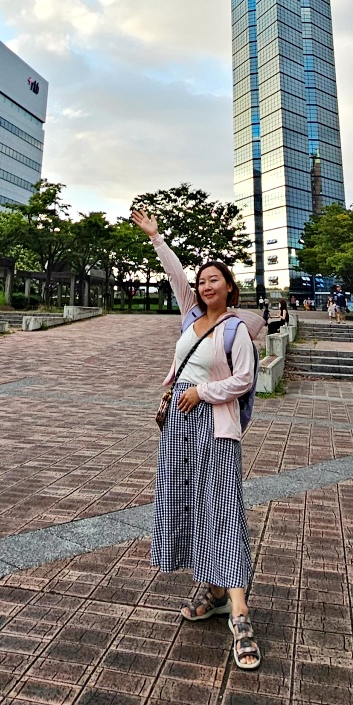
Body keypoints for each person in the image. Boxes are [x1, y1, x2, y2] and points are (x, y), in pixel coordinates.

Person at [131, 206, 264, 672]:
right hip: (178, 429)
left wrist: (201, 392)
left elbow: (245, 380)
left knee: (223, 509)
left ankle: (241, 612)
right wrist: (156, 237)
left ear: (229, 287)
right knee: (185, 504)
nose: (206, 286)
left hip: (214, 427)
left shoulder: (236, 329)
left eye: (215, 280)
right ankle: (211, 589)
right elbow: (173, 274)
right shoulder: (190, 318)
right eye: (202, 280)